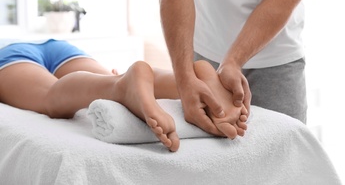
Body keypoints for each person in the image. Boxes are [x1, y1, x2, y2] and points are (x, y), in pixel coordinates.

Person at [147, 0, 330, 133]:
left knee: (283, 159)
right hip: (203, 53)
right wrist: (184, 78)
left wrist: (234, 60)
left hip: (277, 62)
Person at [0, 39, 247, 152]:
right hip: (62, 47)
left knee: (51, 98)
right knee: (109, 76)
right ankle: (189, 80)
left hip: (10, 57)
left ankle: (120, 89)